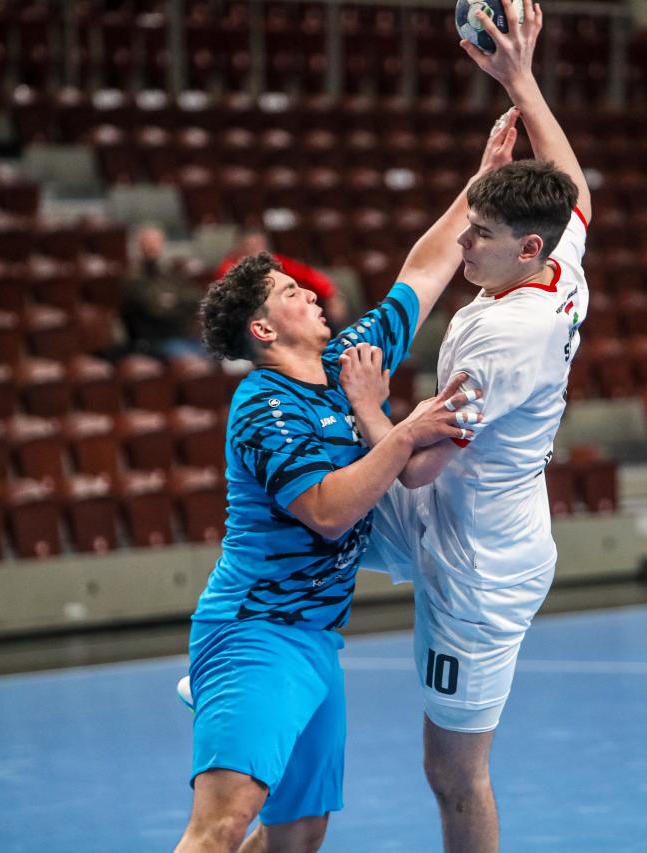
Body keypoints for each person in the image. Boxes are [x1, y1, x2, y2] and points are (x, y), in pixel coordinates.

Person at [173, 113, 519, 853]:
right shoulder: (263, 404)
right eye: (288, 292)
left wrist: (477, 186)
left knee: (298, 835)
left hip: (316, 640)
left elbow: (422, 274)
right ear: (264, 331)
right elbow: (329, 512)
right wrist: (401, 430)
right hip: (256, 632)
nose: (308, 291)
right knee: (222, 826)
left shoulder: (346, 363)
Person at [337, 3, 591, 849]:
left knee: (453, 773)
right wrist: (520, 79)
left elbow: (413, 466)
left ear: (527, 248)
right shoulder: (559, 259)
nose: (464, 246)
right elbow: (574, 184)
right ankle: (249, 658)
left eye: (479, 237)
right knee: (313, 500)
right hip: (452, 513)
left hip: (477, 569)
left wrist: (371, 404)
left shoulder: (501, 340)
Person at [216, 228, 348, 329]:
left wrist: (331, 295)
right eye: (250, 245)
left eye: (259, 245)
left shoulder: (272, 261)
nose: (255, 250)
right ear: (239, 246)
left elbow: (309, 275)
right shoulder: (229, 268)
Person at [122, 225, 208, 359]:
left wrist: (173, 300)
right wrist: (178, 303)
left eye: (156, 242)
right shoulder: (133, 277)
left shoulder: (168, 271)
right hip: (153, 340)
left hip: (183, 334)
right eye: (147, 243)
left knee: (218, 354)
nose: (152, 247)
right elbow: (157, 310)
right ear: (138, 247)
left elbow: (196, 297)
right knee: (194, 362)